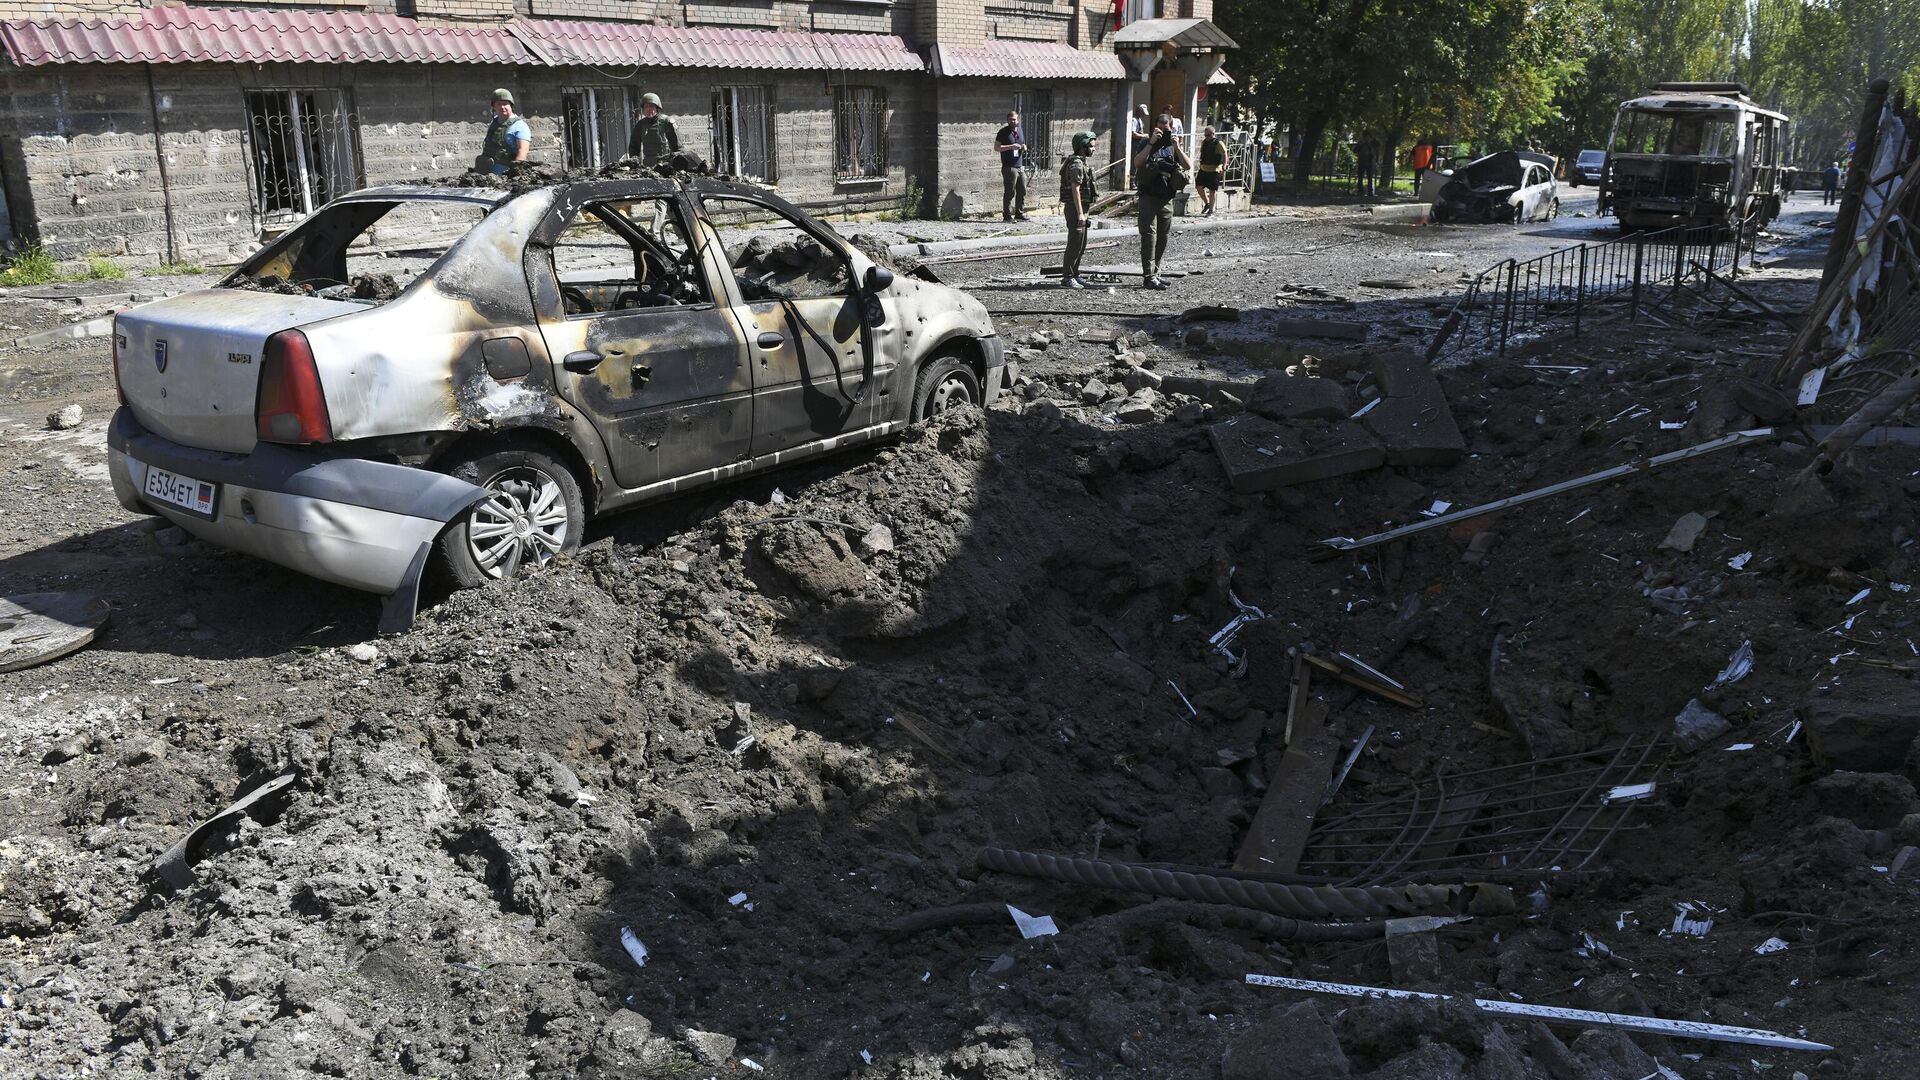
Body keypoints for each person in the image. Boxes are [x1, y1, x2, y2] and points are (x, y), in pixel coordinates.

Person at [1131, 113, 1190, 290]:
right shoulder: (1146, 142)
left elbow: (1187, 166)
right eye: (1160, 127)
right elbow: (1137, 162)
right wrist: (1151, 143)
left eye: (1167, 128)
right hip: (1148, 195)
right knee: (1149, 236)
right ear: (1155, 126)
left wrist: (1177, 147)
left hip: (1166, 197)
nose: (1164, 131)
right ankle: (1148, 276)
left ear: (1171, 128)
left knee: (1163, 237)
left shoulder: (1173, 146)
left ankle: (1156, 273)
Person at [1058, 130, 1098, 288]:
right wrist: (1081, 214)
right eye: (1092, 146)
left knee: (1081, 244)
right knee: (1074, 243)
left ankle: (1075, 273)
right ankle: (1067, 277)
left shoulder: (1081, 161)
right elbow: (1075, 189)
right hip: (1075, 209)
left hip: (1081, 208)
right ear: (1083, 146)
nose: (1094, 149)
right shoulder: (1076, 164)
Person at [479, 88, 531, 175]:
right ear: (494, 107)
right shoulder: (494, 123)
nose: (502, 107)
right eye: (499, 104)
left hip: (505, 177)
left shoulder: (520, 126)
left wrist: (514, 175)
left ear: (511, 106)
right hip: (487, 174)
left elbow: (523, 152)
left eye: (505, 104)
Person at [627, 93, 680, 169]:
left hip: (666, 164)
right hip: (648, 165)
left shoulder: (667, 121)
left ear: (657, 107)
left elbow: (678, 146)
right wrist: (635, 164)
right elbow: (634, 147)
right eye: (646, 107)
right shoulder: (640, 124)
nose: (648, 109)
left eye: (651, 106)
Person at [995, 110, 1028, 222]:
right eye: (1011, 119)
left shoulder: (1020, 130)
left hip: (1020, 166)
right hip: (1009, 167)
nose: (1013, 121)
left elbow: (1022, 143)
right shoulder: (1003, 132)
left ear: (1017, 120)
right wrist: (1011, 146)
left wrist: (1024, 146)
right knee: (1010, 191)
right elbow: (997, 148)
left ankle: (1019, 213)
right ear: (1008, 120)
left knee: (1022, 190)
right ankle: (1007, 216)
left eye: (1015, 119)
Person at [1195, 126, 1225, 216]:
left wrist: (1224, 167)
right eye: (1205, 135)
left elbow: (1225, 154)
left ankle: (1211, 210)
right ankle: (1207, 203)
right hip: (1203, 169)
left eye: (1208, 135)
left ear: (1213, 134)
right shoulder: (1204, 142)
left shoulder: (1218, 143)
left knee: (1212, 190)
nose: (1206, 137)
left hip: (1214, 170)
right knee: (1198, 187)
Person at [1128, 104, 1151, 185]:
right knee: (1134, 162)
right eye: (1143, 113)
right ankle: (1132, 181)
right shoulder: (1134, 120)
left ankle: (1137, 180)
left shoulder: (1140, 120)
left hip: (1140, 143)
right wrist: (1144, 135)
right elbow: (1133, 134)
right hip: (1135, 143)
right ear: (1139, 111)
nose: (1144, 115)